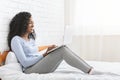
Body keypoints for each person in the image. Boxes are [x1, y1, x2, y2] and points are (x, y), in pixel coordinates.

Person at [7, 12, 101, 74]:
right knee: (62, 50)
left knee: (62, 48)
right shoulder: (16, 40)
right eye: (30, 23)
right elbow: (25, 63)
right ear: (23, 24)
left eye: (33, 22)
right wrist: (44, 55)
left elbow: (35, 50)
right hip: (30, 70)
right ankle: (89, 70)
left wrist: (50, 48)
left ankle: (89, 68)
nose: (33, 25)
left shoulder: (30, 38)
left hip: (38, 64)